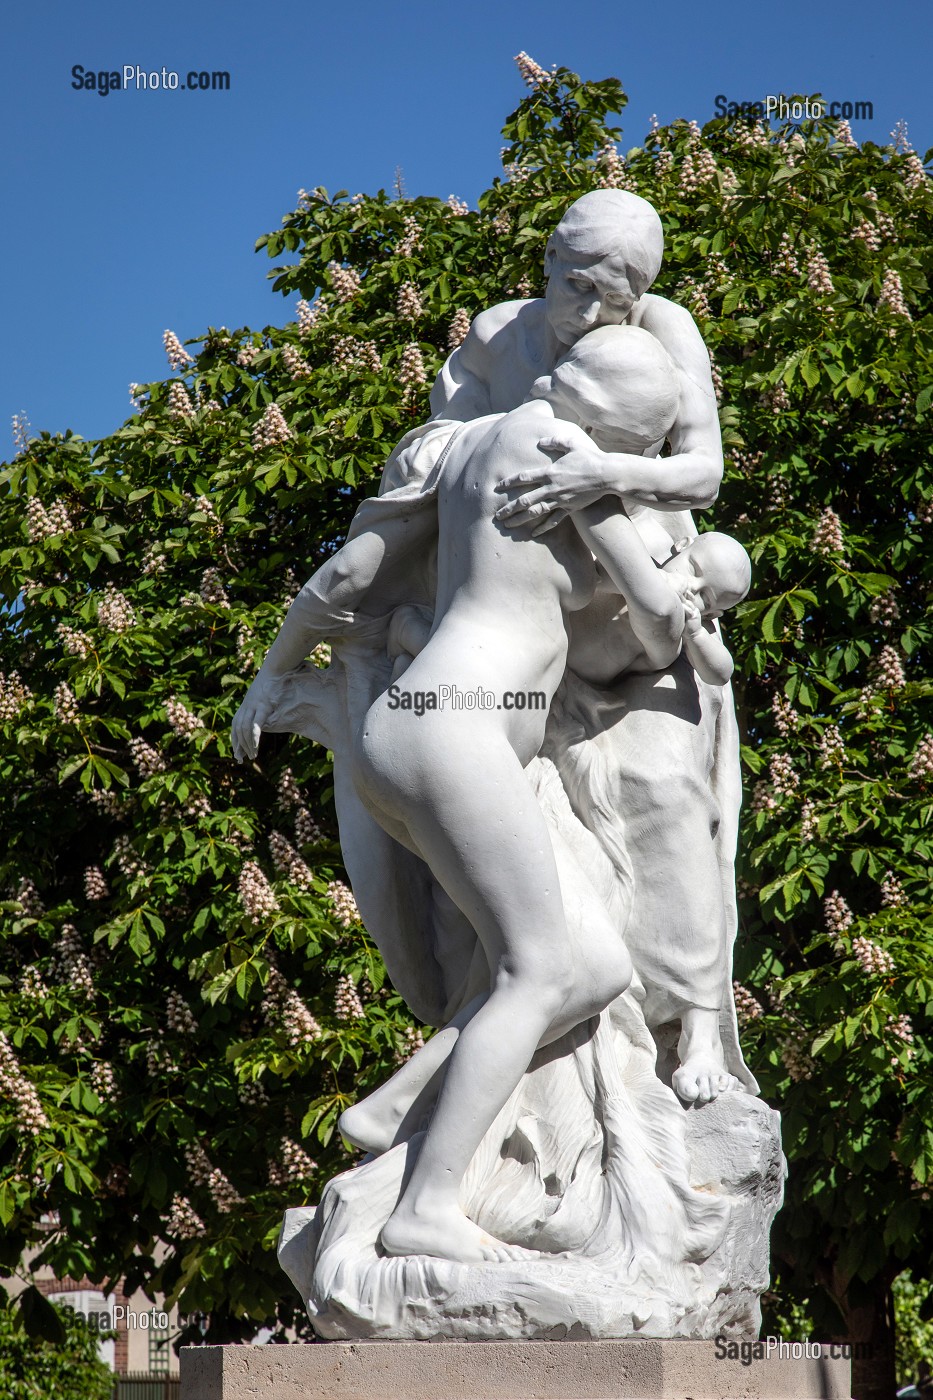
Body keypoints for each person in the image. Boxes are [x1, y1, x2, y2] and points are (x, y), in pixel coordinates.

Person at [234, 326, 748, 1262]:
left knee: (593, 967)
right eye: (629, 446)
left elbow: (351, 571)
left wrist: (267, 675)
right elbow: (659, 625)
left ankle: (397, 1101)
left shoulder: (470, 440)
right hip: (464, 734)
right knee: (541, 969)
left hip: (415, 725)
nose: (624, 466)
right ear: (607, 428)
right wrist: (668, 575)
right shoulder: (566, 459)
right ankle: (426, 1206)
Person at [380, 187, 751, 1103]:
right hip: (524, 613)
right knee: (502, 849)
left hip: (635, 594)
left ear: (639, 294)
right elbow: (427, 448)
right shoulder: (499, 334)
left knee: (666, 794)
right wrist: (513, 445)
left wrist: (600, 471)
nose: (584, 313)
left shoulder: (665, 329)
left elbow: (702, 472)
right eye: (572, 283)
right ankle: (507, 1048)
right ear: (546, 259)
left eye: (607, 299)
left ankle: (693, 1018)